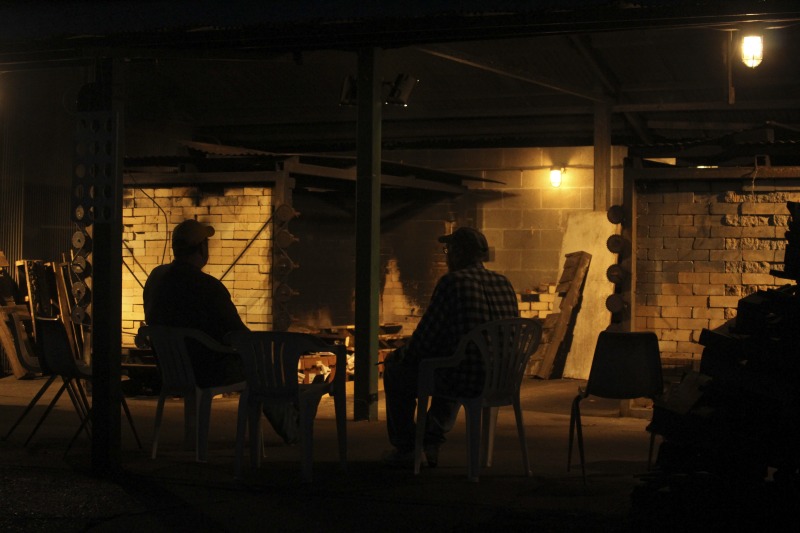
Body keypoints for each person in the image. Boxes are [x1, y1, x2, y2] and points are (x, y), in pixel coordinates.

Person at [143, 219, 299, 444]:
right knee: (261, 366)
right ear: (201, 249)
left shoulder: (156, 278)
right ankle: (293, 426)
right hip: (207, 370)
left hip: (171, 369)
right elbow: (239, 333)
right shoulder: (208, 287)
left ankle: (293, 413)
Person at [382, 226, 520, 468]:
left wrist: (401, 354)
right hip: (502, 379)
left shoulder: (452, 282)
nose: (446, 255)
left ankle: (407, 447)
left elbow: (426, 336)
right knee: (456, 361)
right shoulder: (504, 282)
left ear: (456, 253)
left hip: (466, 379)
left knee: (398, 371)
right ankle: (430, 442)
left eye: (447, 249)